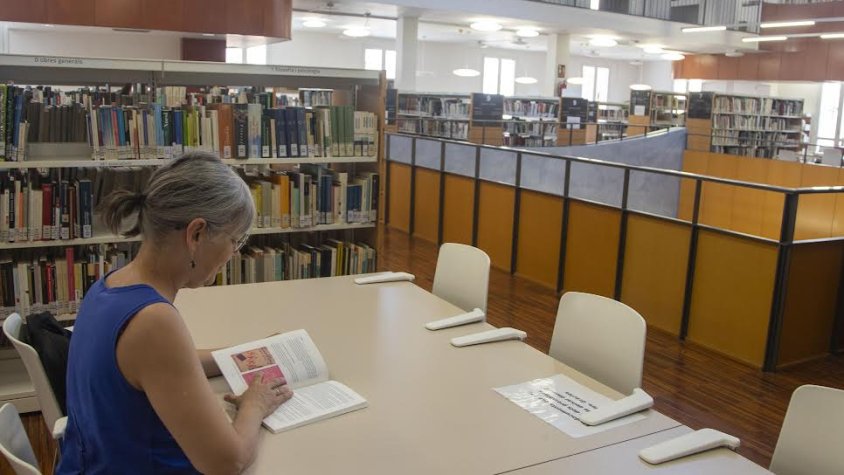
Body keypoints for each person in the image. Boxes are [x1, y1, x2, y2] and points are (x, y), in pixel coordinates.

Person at [57, 153, 293, 474]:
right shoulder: (154, 320)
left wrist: (244, 353)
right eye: (234, 241)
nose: (233, 254)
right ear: (196, 234)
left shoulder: (110, 285)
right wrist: (255, 405)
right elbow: (227, 461)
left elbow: (165, 366)